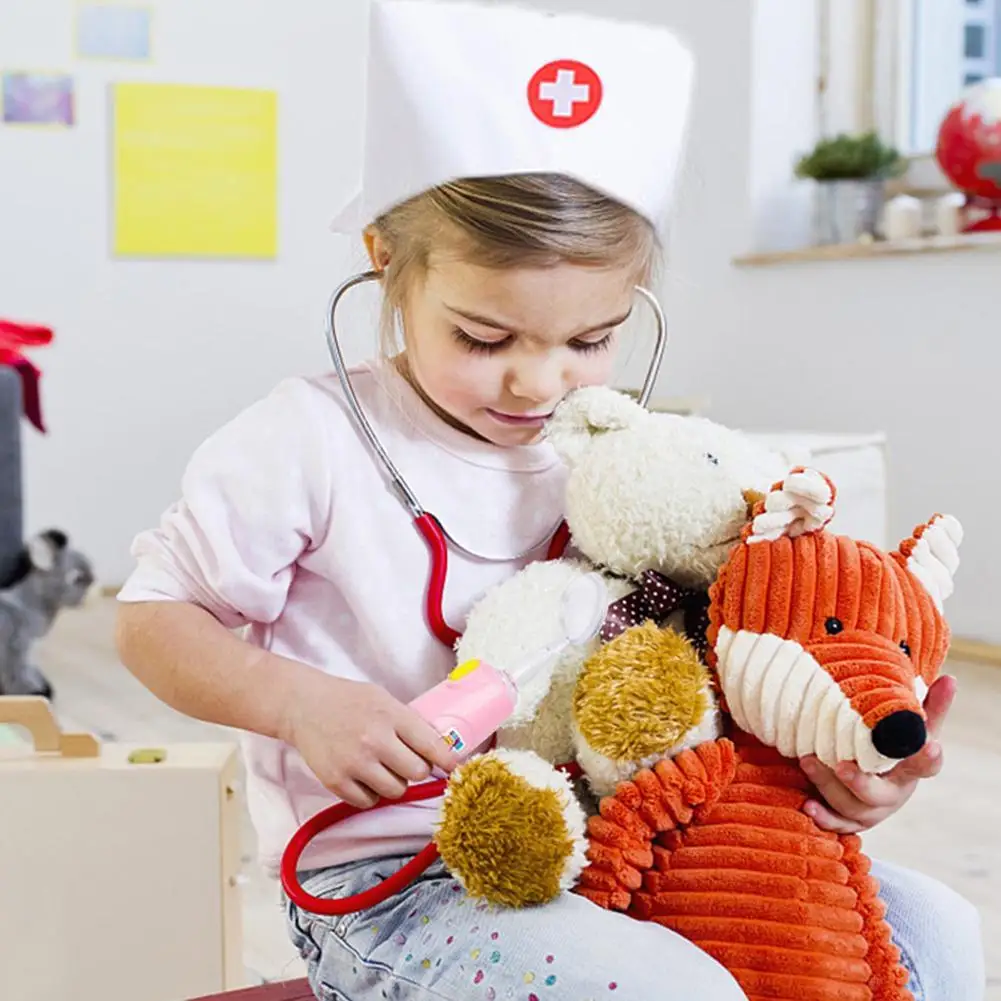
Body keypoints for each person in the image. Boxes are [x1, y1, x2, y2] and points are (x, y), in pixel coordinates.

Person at [114, 3, 984, 999]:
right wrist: (297, 702)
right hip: (398, 882)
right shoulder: (306, 440)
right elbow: (151, 619)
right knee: (669, 990)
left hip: (635, 838)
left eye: (589, 340)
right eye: (483, 338)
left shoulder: (628, 461)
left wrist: (846, 761)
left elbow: (740, 650)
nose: (538, 382)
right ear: (385, 259)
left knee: (935, 933)